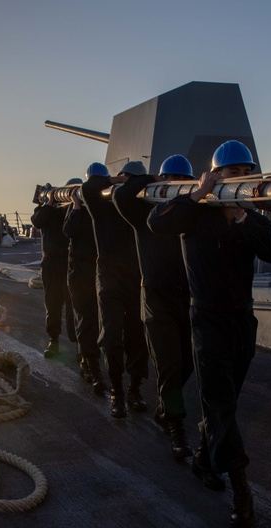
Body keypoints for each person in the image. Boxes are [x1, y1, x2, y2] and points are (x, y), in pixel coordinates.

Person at [148, 140, 271, 528]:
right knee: (221, 403)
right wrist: (198, 196)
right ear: (216, 175)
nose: (242, 178)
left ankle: (203, 459)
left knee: (224, 405)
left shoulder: (253, 217)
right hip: (206, 321)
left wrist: (245, 217)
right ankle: (241, 489)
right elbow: (157, 222)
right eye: (234, 172)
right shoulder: (194, 213)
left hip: (242, 323)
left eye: (247, 171)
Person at [113, 157, 195, 462]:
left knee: (187, 364)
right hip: (156, 298)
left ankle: (165, 409)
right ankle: (176, 427)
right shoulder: (143, 212)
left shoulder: (191, 212)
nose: (173, 184)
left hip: (186, 297)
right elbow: (122, 195)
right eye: (169, 178)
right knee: (169, 366)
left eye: (179, 180)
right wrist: (150, 180)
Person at [80, 162, 149, 419]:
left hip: (135, 277)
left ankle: (134, 389)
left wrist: (141, 182)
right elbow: (89, 188)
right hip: (109, 276)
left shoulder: (141, 206)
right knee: (111, 335)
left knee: (136, 335)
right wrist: (120, 180)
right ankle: (117, 392)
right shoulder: (101, 207)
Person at [62, 182, 107, 391]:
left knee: (95, 319)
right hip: (79, 274)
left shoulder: (103, 209)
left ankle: (88, 359)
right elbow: (69, 230)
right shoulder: (75, 211)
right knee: (84, 319)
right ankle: (90, 364)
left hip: (99, 272)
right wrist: (77, 207)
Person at [31, 182, 76, 358]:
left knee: (75, 307)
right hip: (51, 264)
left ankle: (80, 345)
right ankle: (54, 340)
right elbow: (38, 221)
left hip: (71, 262)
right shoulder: (45, 211)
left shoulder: (73, 210)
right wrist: (49, 203)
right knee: (53, 304)